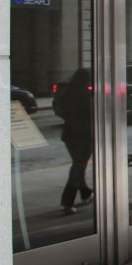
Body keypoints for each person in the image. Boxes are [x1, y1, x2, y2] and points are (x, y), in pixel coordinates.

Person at [59, 67, 94, 215]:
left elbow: (59, 109)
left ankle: (86, 193)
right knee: (78, 167)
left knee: (78, 165)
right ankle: (67, 201)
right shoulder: (87, 94)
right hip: (85, 135)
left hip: (69, 135)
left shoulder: (67, 92)